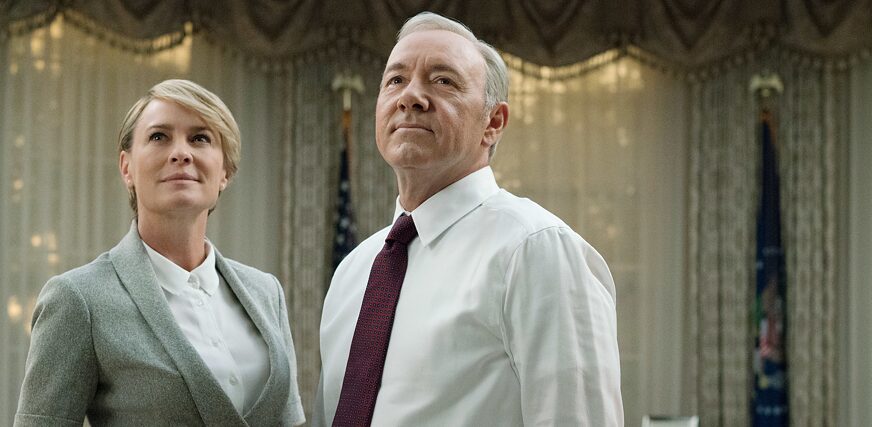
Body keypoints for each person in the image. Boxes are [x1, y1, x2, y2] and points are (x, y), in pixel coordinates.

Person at [314, 12, 623, 426]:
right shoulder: (353, 271)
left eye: (443, 81)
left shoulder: (535, 250)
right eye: (396, 80)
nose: (411, 97)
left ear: (492, 123)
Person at [15, 79, 305, 426]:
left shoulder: (266, 292)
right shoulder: (78, 300)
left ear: (225, 171)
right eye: (159, 137)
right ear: (127, 168)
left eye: (200, 138)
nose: (181, 153)